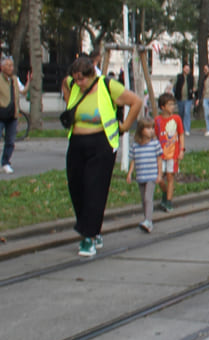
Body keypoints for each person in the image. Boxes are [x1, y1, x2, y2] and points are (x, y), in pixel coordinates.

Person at [63, 56, 144, 257]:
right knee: (76, 187)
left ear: (92, 75)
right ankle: (92, 227)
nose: (78, 83)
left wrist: (124, 126)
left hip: (101, 143)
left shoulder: (107, 85)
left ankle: (88, 237)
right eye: (76, 79)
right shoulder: (71, 84)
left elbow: (136, 101)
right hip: (76, 143)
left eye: (82, 79)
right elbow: (65, 84)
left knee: (94, 188)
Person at [127, 118, 163, 234]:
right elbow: (133, 160)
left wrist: (160, 174)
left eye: (152, 128)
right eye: (148, 128)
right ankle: (146, 219)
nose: (151, 131)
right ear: (141, 130)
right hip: (141, 175)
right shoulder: (136, 146)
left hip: (151, 175)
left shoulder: (155, 144)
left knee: (148, 198)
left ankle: (148, 221)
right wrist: (130, 173)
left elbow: (159, 160)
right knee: (144, 200)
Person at [154, 93, 185, 212]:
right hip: (161, 154)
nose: (172, 106)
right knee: (160, 178)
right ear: (162, 107)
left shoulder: (176, 118)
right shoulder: (157, 120)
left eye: (173, 104)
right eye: (170, 104)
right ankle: (165, 193)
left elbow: (181, 134)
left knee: (170, 176)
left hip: (173, 154)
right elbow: (156, 136)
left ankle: (169, 200)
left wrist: (182, 149)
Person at [0, 55, 26, 173]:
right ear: (2, 67)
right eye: (9, 65)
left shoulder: (15, 79)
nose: (11, 68)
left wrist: (29, 82)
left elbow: (22, 91)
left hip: (12, 115)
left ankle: (5, 163)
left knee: (10, 141)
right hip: (1, 114)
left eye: (12, 65)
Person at [173, 62, 195, 136]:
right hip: (180, 98)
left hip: (188, 98)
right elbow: (174, 84)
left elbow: (194, 86)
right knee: (181, 113)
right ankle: (180, 128)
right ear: (183, 69)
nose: (187, 70)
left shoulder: (191, 77)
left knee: (187, 112)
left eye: (188, 69)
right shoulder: (179, 76)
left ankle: (187, 129)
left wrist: (194, 89)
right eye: (186, 69)